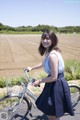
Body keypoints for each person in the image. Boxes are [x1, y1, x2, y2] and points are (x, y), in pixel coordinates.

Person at [27, 30, 74, 120]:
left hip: (56, 84)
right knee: (52, 111)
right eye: (43, 39)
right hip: (52, 83)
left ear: (53, 40)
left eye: (47, 39)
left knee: (52, 113)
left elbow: (54, 77)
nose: (45, 41)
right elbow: (44, 63)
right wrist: (31, 68)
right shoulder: (50, 52)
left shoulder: (52, 55)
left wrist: (40, 80)